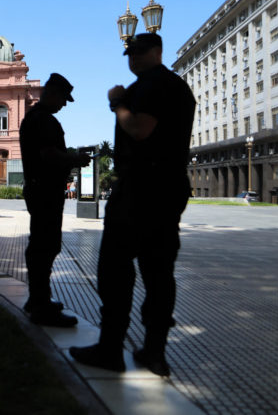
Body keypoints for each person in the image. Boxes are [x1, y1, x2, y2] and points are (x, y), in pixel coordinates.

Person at [70, 33, 196, 377]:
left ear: (157, 51)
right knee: (158, 272)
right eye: (129, 53)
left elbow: (140, 129)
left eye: (139, 52)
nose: (133, 58)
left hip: (142, 191)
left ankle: (111, 348)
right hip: (165, 190)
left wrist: (117, 103)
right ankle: (154, 352)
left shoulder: (154, 86)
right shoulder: (175, 87)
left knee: (115, 270)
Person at [19, 73, 90, 327]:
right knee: (45, 246)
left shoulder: (33, 118)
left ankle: (37, 299)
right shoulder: (44, 120)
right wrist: (75, 160)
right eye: (63, 99)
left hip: (39, 190)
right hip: (45, 191)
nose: (64, 104)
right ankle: (40, 305)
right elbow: (49, 155)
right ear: (51, 93)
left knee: (41, 245)